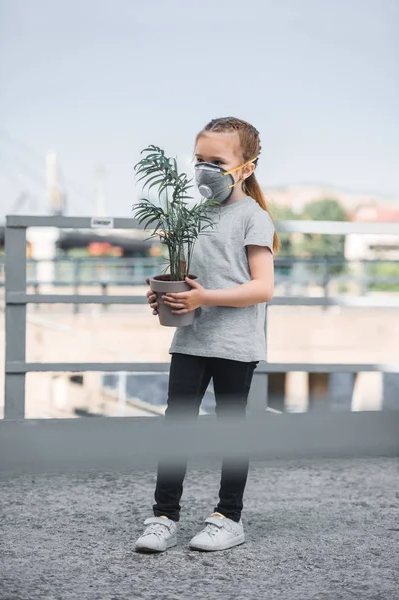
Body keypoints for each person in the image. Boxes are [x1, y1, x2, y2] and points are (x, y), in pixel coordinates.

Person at [135, 116, 278, 553]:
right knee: (175, 426)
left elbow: (262, 287)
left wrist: (203, 299)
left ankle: (228, 517)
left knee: (231, 429)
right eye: (199, 159)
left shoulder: (253, 218)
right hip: (191, 340)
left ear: (246, 168)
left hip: (235, 345)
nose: (204, 169)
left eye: (217, 161)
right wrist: (167, 294)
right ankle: (163, 516)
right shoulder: (191, 215)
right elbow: (189, 275)